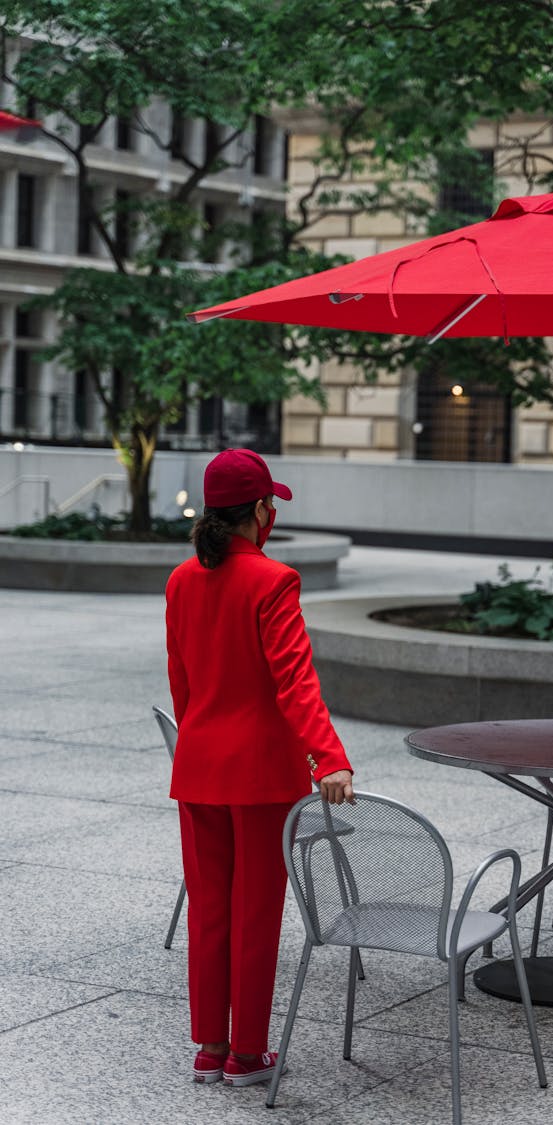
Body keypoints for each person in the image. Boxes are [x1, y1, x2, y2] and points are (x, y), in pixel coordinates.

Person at [165, 448, 354, 1087]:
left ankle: (209, 1048)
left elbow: (182, 682)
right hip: (260, 775)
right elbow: (295, 682)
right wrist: (330, 757)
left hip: (198, 767)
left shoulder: (182, 579)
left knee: (210, 909)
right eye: (270, 504)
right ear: (259, 512)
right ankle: (247, 1053)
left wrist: (198, 739)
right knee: (254, 911)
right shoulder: (274, 580)